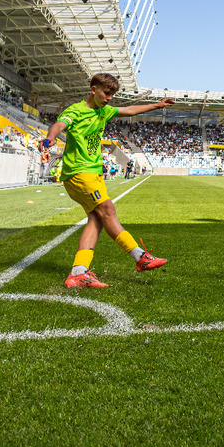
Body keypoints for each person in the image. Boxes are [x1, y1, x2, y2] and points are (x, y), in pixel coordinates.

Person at [40, 73, 173, 289]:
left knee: (97, 220)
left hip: (93, 173)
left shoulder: (104, 110)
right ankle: (141, 257)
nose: (109, 98)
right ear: (94, 89)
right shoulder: (76, 110)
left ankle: (78, 273)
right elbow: (59, 124)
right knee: (108, 209)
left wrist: (157, 105)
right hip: (78, 173)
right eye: (106, 93)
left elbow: (129, 110)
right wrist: (51, 137)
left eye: (112, 95)